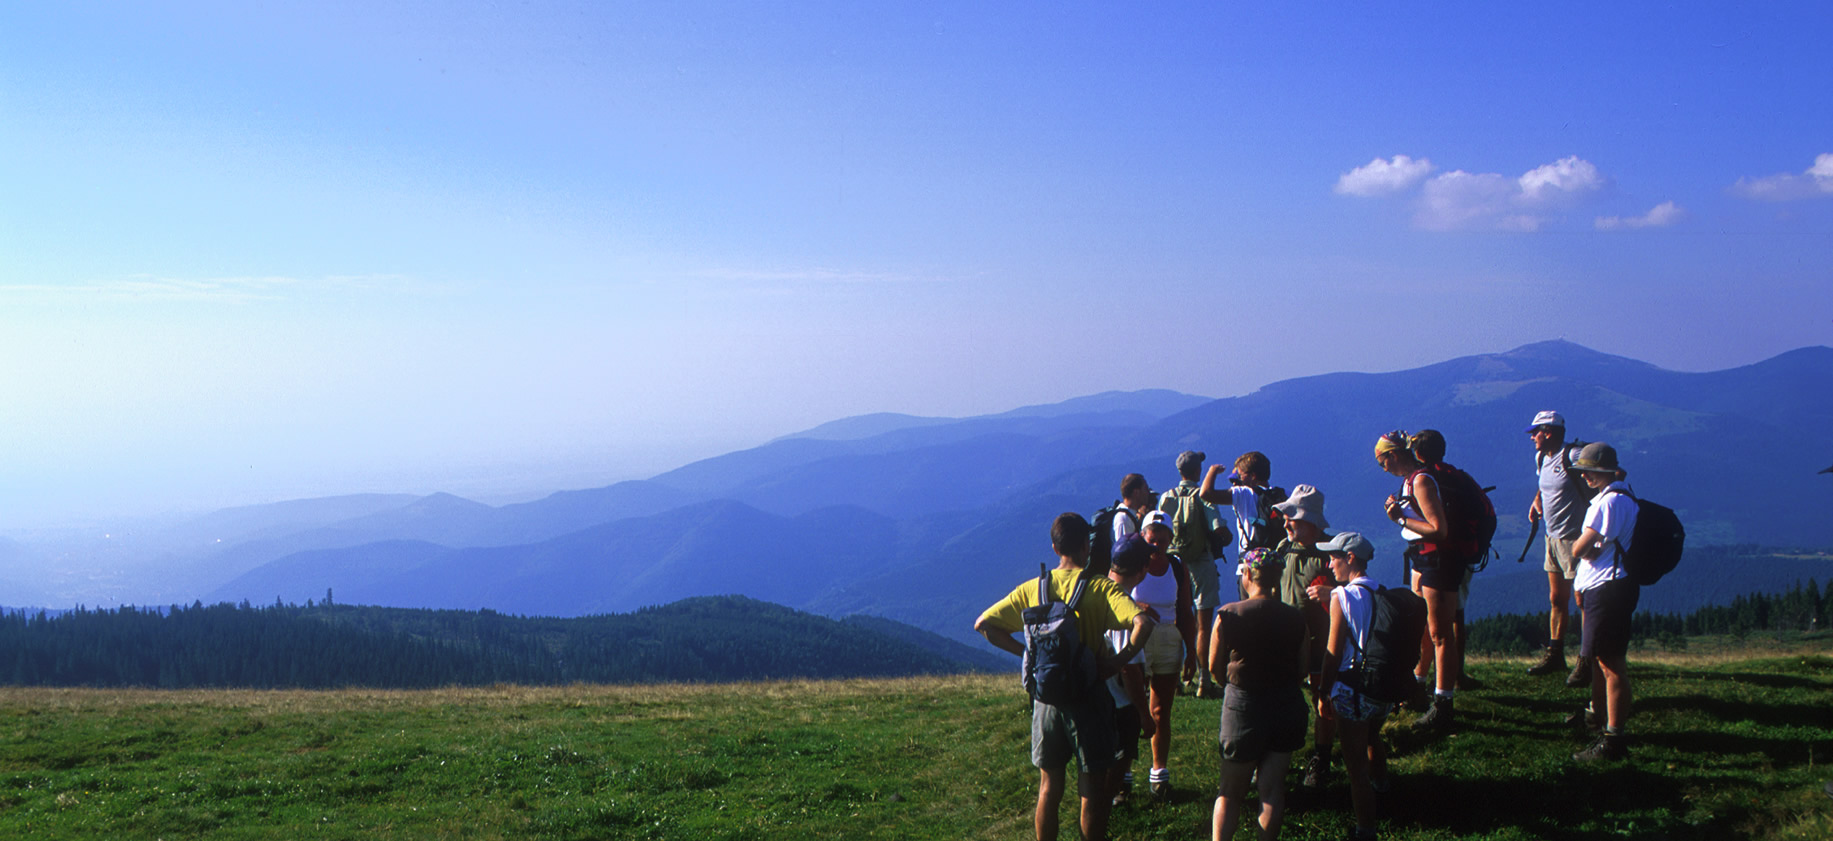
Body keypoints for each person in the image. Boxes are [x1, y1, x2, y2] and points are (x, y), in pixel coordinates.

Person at [976, 512, 1156, 841]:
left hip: (1047, 701)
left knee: (1049, 787)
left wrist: (1027, 654)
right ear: (1087, 545)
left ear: (1055, 546)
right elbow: (1142, 624)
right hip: (1089, 698)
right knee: (1091, 789)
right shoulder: (1101, 588)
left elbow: (984, 624)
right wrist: (1119, 661)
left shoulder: (1032, 589)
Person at [1209, 548, 1309, 841]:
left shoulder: (1229, 614)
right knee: (1272, 790)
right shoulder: (1295, 617)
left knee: (1229, 791)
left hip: (1243, 705)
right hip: (1286, 704)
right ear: (1277, 577)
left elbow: (1214, 667)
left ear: (1248, 574)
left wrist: (1229, 683)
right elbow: (1303, 668)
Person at [1375, 431, 1460, 732]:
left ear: (1394, 455)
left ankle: (1443, 703)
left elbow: (1439, 529)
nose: (1382, 468)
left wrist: (1399, 518)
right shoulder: (1411, 481)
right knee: (1422, 626)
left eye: (1382, 461)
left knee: (1439, 633)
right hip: (1422, 558)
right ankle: (1418, 687)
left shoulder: (1421, 481)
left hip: (1436, 560)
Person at [1314, 532, 1392, 841]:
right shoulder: (1382, 592)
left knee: (1355, 763)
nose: (1329, 563)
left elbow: (1333, 651)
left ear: (1350, 558)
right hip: (1382, 687)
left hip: (1352, 690)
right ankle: (1384, 791)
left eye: (1333, 557)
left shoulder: (1341, 597)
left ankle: (1365, 829)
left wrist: (1323, 690)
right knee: (1374, 738)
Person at [1568, 443, 1639, 762]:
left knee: (1611, 665)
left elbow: (1579, 547)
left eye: (1589, 471)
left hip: (1606, 590)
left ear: (1604, 473)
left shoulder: (1606, 504)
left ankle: (1613, 740)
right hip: (1613, 586)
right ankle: (1598, 719)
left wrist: (1581, 547)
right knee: (1602, 659)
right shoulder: (1626, 498)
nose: (1584, 476)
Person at [1264, 484, 1336, 788]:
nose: (1285, 523)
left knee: (1324, 700)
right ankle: (1276, 756)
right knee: (1280, 698)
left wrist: (1332, 593)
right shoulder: (1283, 549)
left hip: (1322, 642)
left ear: (1308, 520)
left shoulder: (1333, 553)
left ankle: (1321, 757)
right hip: (1286, 641)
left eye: (1291, 517)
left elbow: (1355, 595)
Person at [1523, 411, 1596, 685]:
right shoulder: (1542, 458)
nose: (1532, 436)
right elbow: (1546, 484)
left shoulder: (1574, 456)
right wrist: (1537, 501)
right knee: (1557, 599)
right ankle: (1555, 655)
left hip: (1577, 540)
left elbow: (1610, 471)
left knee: (1583, 601)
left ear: (1549, 432)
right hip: (1552, 538)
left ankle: (1586, 660)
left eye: (1536, 431)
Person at [1132, 513, 1198, 801]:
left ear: (1171, 539)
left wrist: (1192, 651)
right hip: (1137, 637)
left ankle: (1159, 775)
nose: (1156, 543)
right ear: (1143, 536)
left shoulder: (1177, 567)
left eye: (1162, 538)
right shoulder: (1132, 563)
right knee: (1132, 707)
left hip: (1169, 637)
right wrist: (1136, 606)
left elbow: (1185, 611)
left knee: (1161, 711)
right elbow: (1111, 594)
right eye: (1151, 537)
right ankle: (1123, 776)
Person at [1160, 450, 1227, 699]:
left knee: (1176, 620)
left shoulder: (1167, 497)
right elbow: (1217, 527)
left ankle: (1176, 677)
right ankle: (1204, 681)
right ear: (1198, 471)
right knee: (1202, 624)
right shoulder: (1202, 496)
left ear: (1179, 471)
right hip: (1201, 563)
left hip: (1174, 564)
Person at [1104, 539, 1157, 808]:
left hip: (1094, 694)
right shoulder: (1126, 607)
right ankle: (1097, 820)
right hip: (1120, 702)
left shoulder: (1097, 590)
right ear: (1142, 570)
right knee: (1117, 762)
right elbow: (1129, 666)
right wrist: (1143, 713)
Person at [1200, 452, 1285, 580]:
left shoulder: (1243, 494)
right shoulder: (1284, 494)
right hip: (1277, 563)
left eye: (1240, 475)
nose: (1238, 479)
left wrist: (1212, 471)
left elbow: (1206, 494)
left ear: (1252, 476)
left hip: (1249, 564)